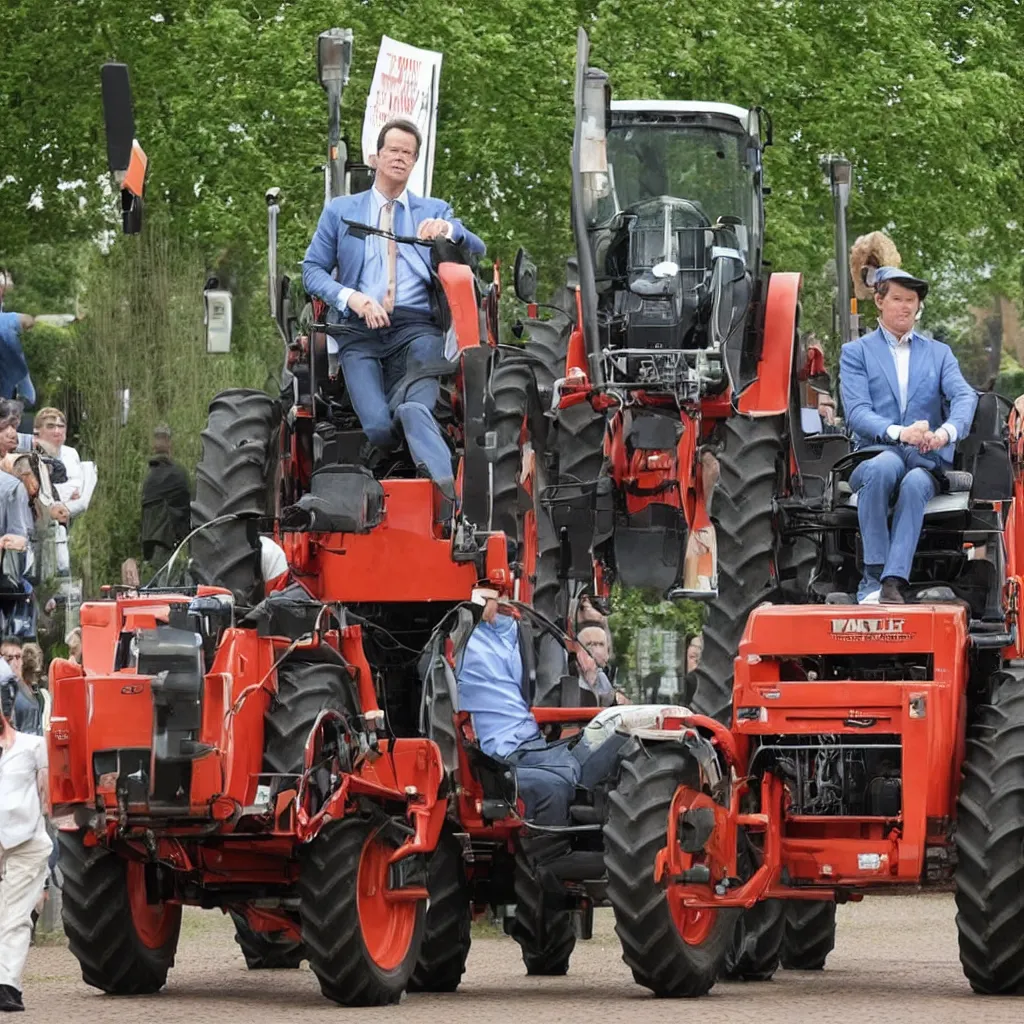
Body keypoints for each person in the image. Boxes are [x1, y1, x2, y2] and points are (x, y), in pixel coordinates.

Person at [302, 118, 486, 500]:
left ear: (414, 161)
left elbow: (477, 247)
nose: (400, 158)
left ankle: (452, 501)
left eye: (408, 153)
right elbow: (311, 271)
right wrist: (353, 298)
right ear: (377, 156)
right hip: (358, 331)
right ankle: (426, 469)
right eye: (393, 150)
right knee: (377, 426)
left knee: (415, 408)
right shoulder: (340, 211)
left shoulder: (433, 209)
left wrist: (448, 231)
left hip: (416, 328)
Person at [839, 267, 977, 604]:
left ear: (918, 307)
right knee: (884, 465)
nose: (904, 307)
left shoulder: (939, 354)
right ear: (880, 302)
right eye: (897, 299)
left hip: (925, 458)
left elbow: (965, 396)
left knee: (916, 482)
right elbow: (857, 413)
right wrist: (902, 433)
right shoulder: (856, 353)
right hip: (875, 453)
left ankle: (892, 581)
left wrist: (945, 433)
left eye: (911, 301)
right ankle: (872, 577)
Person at [456, 601, 623, 828]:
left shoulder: (606, 685)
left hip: (531, 746)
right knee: (560, 779)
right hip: (510, 753)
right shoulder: (467, 645)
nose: (593, 650)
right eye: (589, 644)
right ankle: (548, 851)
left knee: (616, 741)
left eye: (600, 644)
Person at [0, 682, 52, 1013]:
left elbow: (47, 796)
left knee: (13, 917)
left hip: (25, 845)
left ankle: (7, 986)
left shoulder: (33, 747)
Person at [140, 425, 192, 571]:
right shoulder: (178, 474)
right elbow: (188, 506)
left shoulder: (149, 477)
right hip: (168, 542)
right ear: (170, 444)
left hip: (151, 542)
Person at [0, 637, 41, 736]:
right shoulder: (5, 689)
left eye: (18, 657)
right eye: (9, 658)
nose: (14, 663)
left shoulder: (33, 689)